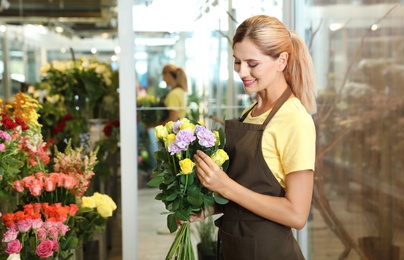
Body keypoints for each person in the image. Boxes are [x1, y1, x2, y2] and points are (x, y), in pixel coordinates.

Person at [191, 15, 317, 259]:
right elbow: (251, 188)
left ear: (282, 61)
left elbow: (296, 214)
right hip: (235, 243)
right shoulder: (252, 112)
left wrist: (224, 186)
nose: (242, 72)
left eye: (252, 63)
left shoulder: (294, 119)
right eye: (237, 62)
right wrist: (210, 207)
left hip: (268, 251)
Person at [146, 63, 189, 169]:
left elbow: (172, 120)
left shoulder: (174, 94)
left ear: (169, 75)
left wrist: (152, 126)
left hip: (173, 135)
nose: (163, 79)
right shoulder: (180, 91)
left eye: (163, 75)